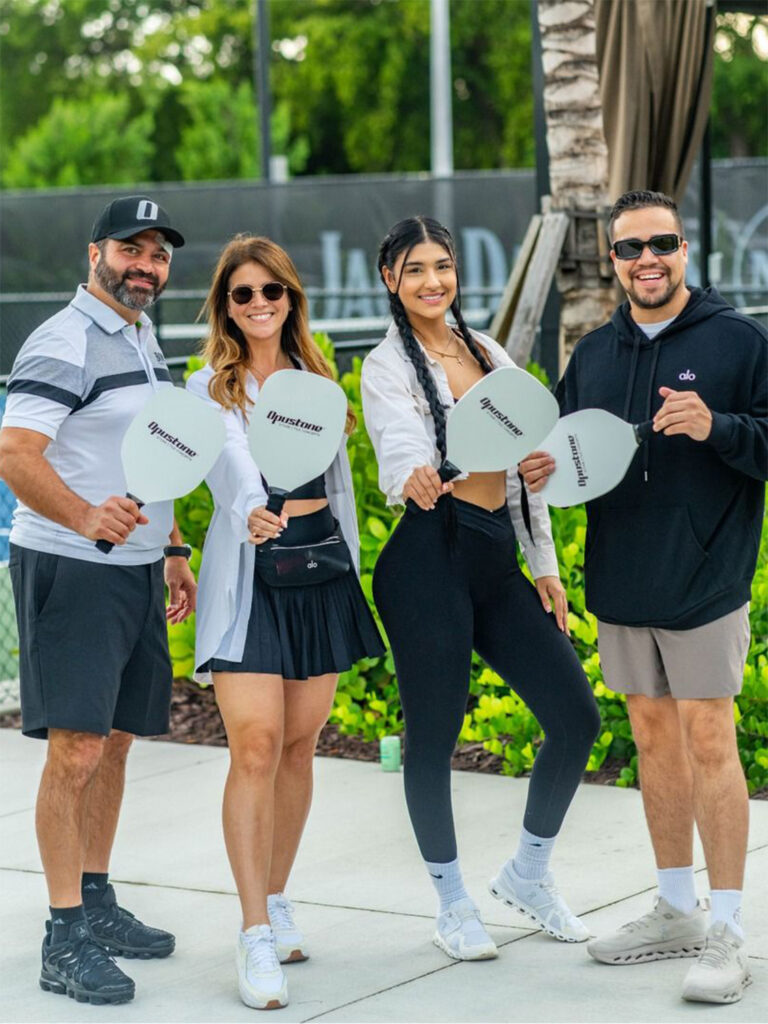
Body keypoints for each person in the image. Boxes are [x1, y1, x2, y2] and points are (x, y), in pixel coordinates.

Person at [520, 190, 767, 1004]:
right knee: (653, 742)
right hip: (622, 581)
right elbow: (562, 452)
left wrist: (719, 427)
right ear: (613, 260)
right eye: (630, 248)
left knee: (709, 740)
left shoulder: (739, 341)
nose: (647, 259)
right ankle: (674, 909)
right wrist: (541, 468)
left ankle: (727, 930)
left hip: (706, 579)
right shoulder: (594, 354)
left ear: (684, 250)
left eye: (661, 243)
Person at [360, 215, 601, 962]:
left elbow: (526, 471)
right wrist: (414, 473)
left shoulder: (489, 352)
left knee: (576, 717)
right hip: (427, 558)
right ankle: (453, 904)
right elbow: (398, 444)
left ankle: (527, 873)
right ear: (390, 280)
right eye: (415, 269)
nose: (432, 281)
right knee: (433, 737)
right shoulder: (385, 366)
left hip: (496, 555)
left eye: (442, 266)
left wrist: (544, 565)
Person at [0, 195, 197, 1006]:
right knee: (76, 750)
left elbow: (157, 456)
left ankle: (96, 897)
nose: (145, 265)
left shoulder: (143, 338)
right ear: (95, 254)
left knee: (115, 742)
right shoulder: (64, 341)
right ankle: (63, 935)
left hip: (137, 568)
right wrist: (84, 516)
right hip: (73, 567)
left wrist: (173, 547)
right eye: (130, 249)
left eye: (158, 253)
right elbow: (15, 451)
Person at [186, 234, 384, 1011]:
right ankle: (253, 933)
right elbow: (231, 463)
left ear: (290, 298)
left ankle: (276, 894)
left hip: (319, 571)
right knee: (257, 745)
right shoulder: (210, 387)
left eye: (273, 290)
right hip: (250, 574)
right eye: (244, 293)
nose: (260, 304)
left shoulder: (316, 381)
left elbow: (338, 488)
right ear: (226, 306)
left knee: (301, 744)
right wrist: (249, 511)